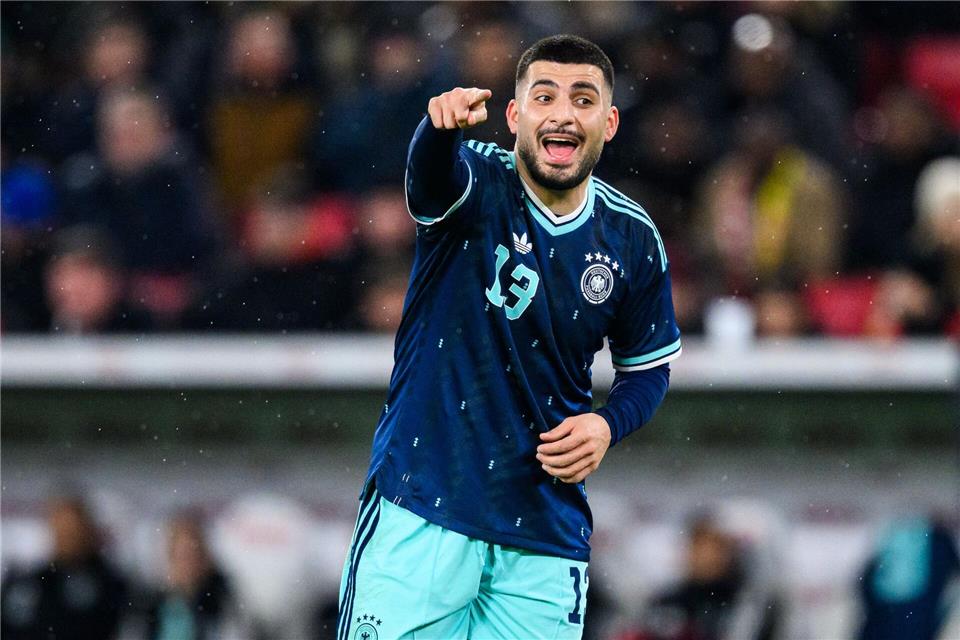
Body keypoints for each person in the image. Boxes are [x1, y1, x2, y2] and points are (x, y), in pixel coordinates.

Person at [338, 35, 680, 639]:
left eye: (583, 98)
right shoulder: (476, 182)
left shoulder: (630, 238)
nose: (564, 113)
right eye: (544, 96)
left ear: (610, 121)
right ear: (516, 115)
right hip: (424, 503)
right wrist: (438, 129)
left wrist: (607, 424)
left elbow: (647, 369)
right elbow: (429, 180)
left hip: (543, 530)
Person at [1, 494, 129, 640]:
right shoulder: (29, 582)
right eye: (62, 528)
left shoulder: (110, 585)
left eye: (73, 530)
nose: (67, 536)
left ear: (87, 530)